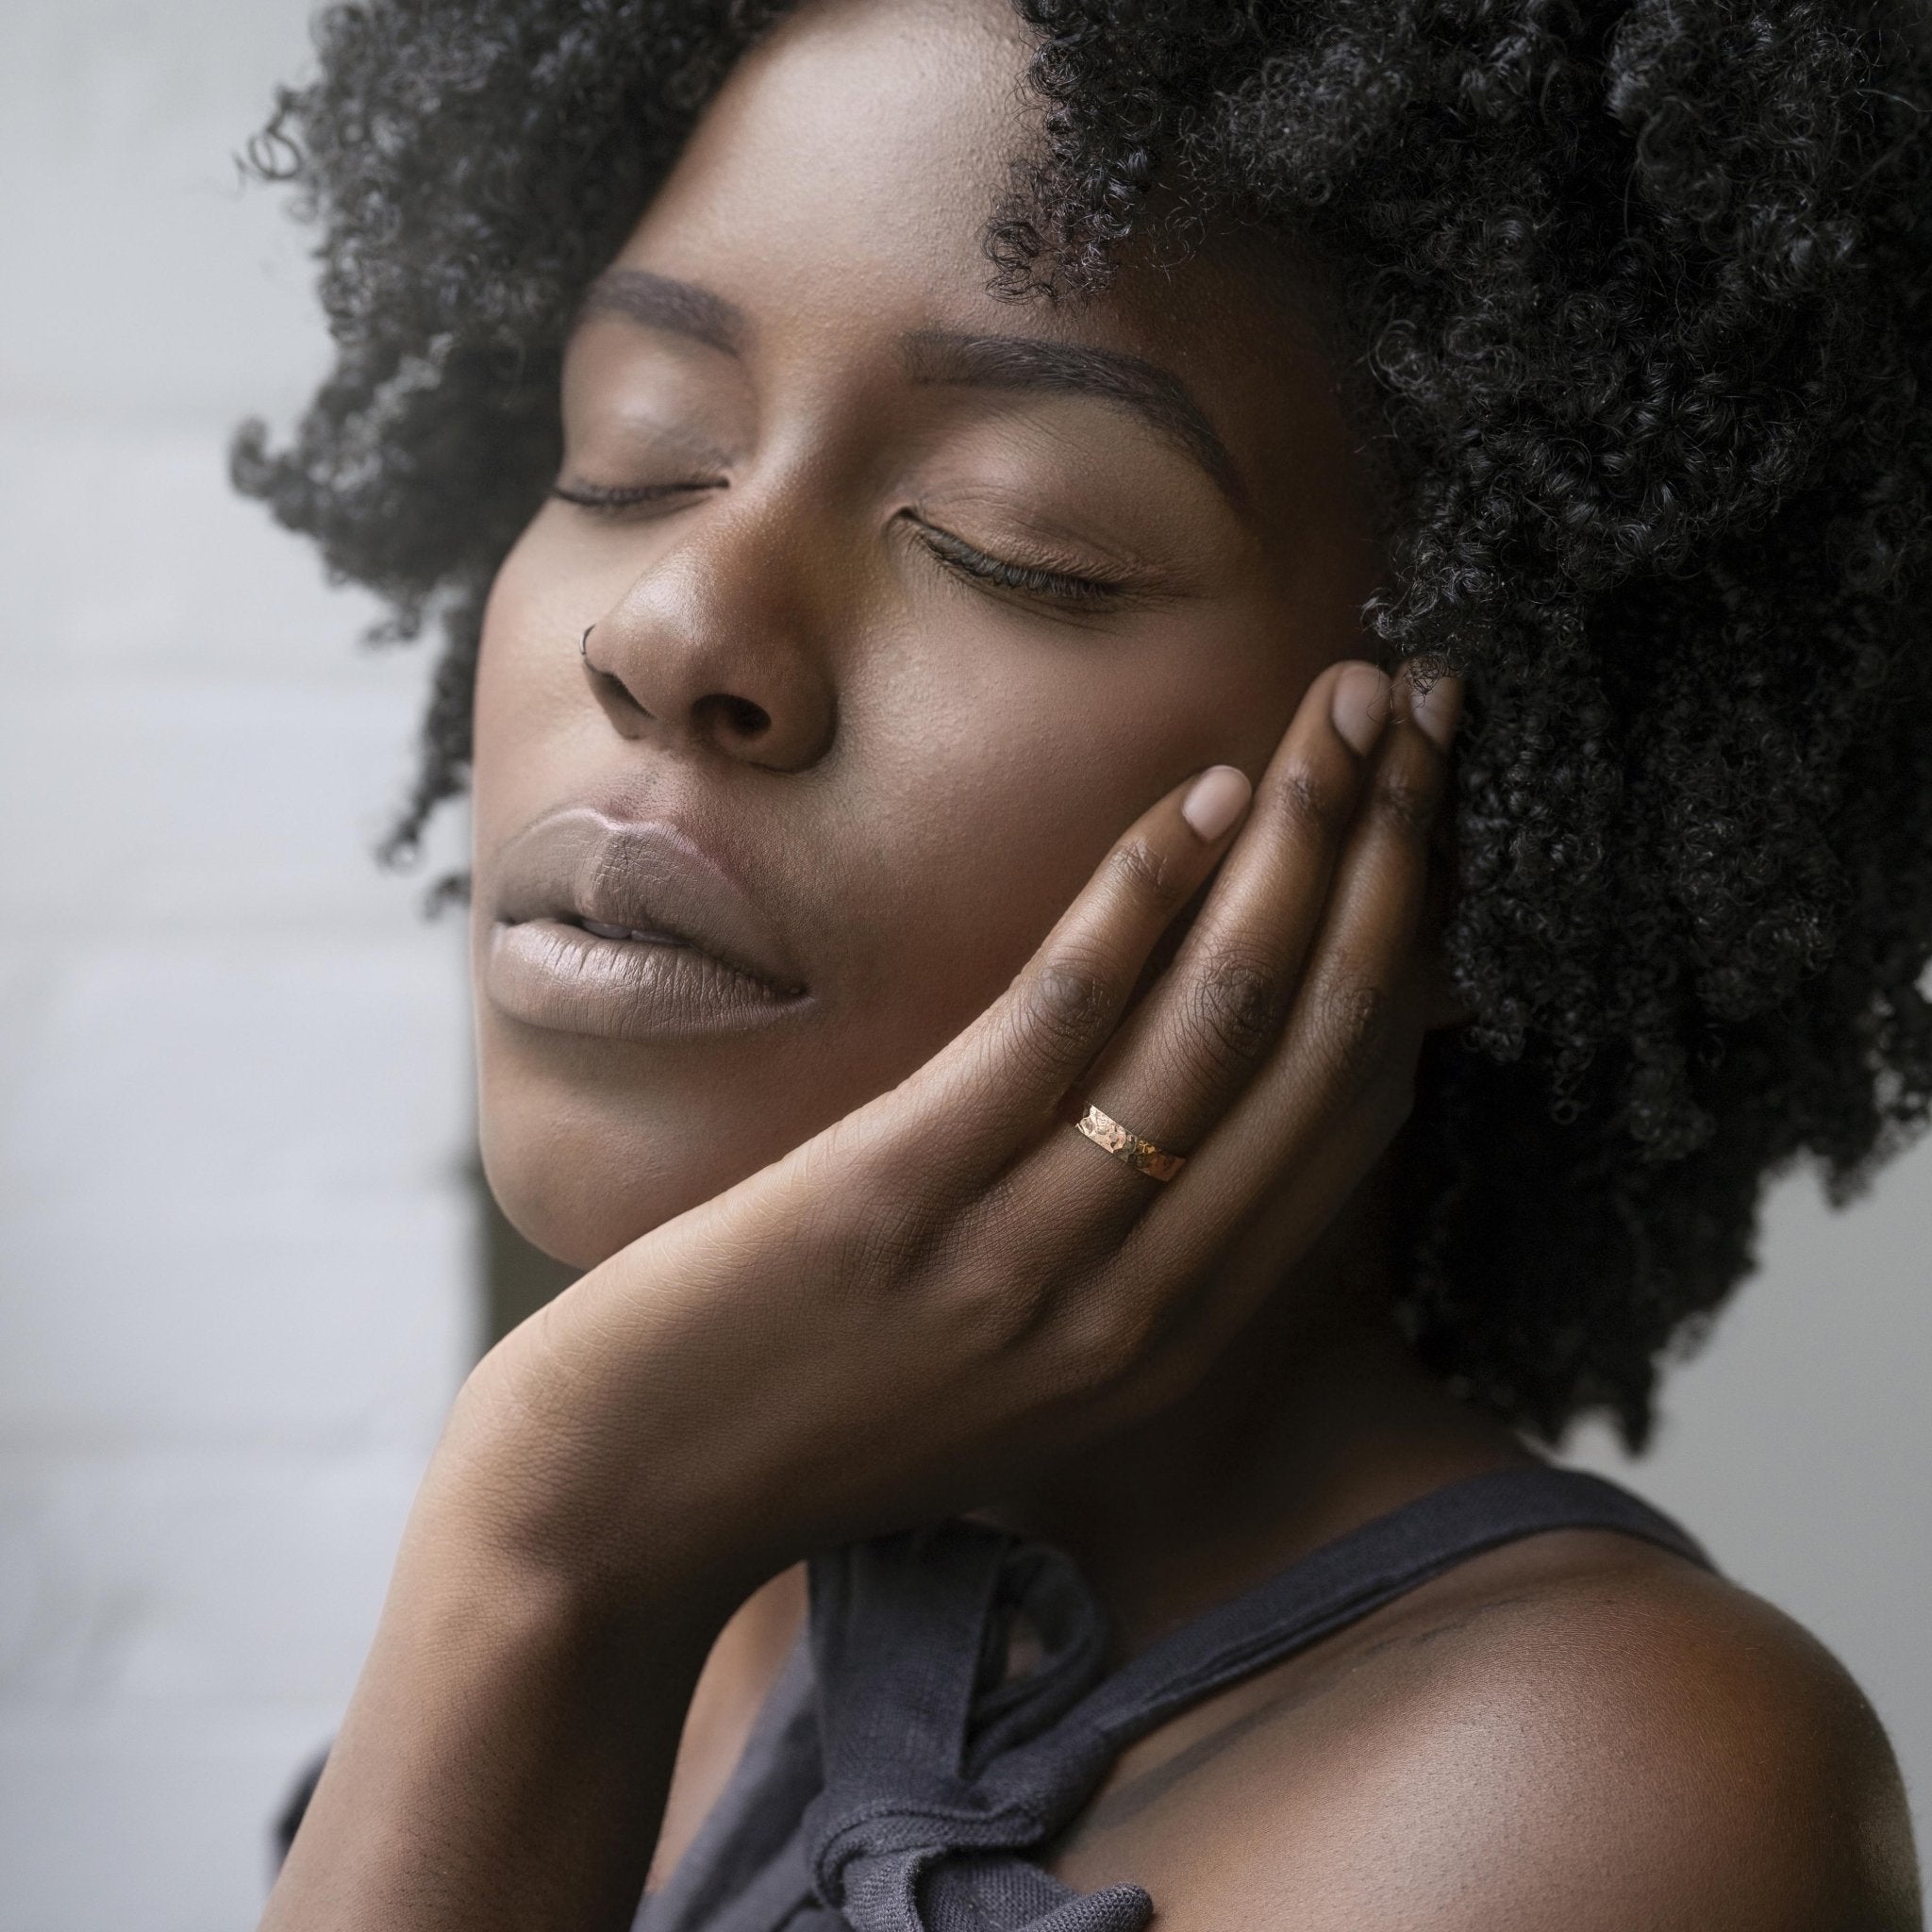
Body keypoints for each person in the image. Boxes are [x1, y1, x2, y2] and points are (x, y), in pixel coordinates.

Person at [236, 1, 1929, 1924]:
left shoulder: (1587, 1794)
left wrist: (541, 1545)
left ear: (1510, 792)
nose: (673, 622)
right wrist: (551, 1557)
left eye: (1012, 542)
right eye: (630, 455)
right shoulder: (693, 1577)